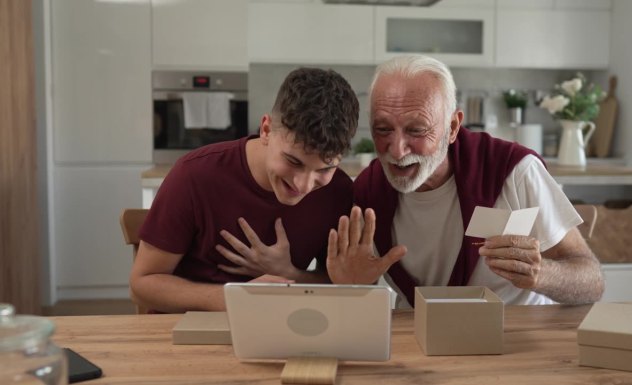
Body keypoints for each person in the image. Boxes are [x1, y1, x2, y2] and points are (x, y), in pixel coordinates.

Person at [325, 55, 605, 307]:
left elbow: (592, 282)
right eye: (383, 129)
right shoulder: (367, 190)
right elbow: (358, 298)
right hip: (417, 337)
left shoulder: (514, 170)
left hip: (515, 336)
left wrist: (541, 273)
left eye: (417, 130)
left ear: (452, 127)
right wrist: (353, 286)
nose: (397, 150)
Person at [130, 68, 359, 313]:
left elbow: (338, 285)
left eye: (325, 169)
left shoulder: (338, 192)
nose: (304, 185)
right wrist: (235, 298)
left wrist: (289, 274)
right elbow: (141, 285)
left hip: (281, 331)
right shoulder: (195, 174)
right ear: (266, 130)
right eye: (293, 162)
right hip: (186, 332)